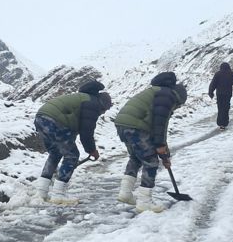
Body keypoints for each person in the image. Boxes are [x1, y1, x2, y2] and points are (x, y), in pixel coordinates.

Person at [114, 72, 188, 213]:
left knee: (136, 157)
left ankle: (125, 193)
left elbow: (158, 129)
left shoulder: (157, 92)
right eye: (179, 105)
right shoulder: (168, 96)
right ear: (179, 97)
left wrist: (165, 155)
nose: (177, 108)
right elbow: (160, 125)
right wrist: (160, 147)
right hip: (135, 126)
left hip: (122, 124)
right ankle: (144, 202)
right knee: (151, 161)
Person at [32, 80, 113, 205]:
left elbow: (74, 126)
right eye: (105, 109)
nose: (103, 112)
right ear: (102, 103)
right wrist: (92, 150)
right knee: (72, 155)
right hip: (55, 121)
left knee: (55, 154)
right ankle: (58, 195)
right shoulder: (92, 104)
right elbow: (86, 132)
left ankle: (41, 192)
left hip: (41, 118)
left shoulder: (80, 99)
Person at [208, 62, 233, 129]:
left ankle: (220, 123)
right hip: (228, 94)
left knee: (220, 107)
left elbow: (213, 84)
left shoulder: (218, 74)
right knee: (226, 108)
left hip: (219, 94)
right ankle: (224, 123)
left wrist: (211, 92)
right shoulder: (231, 73)